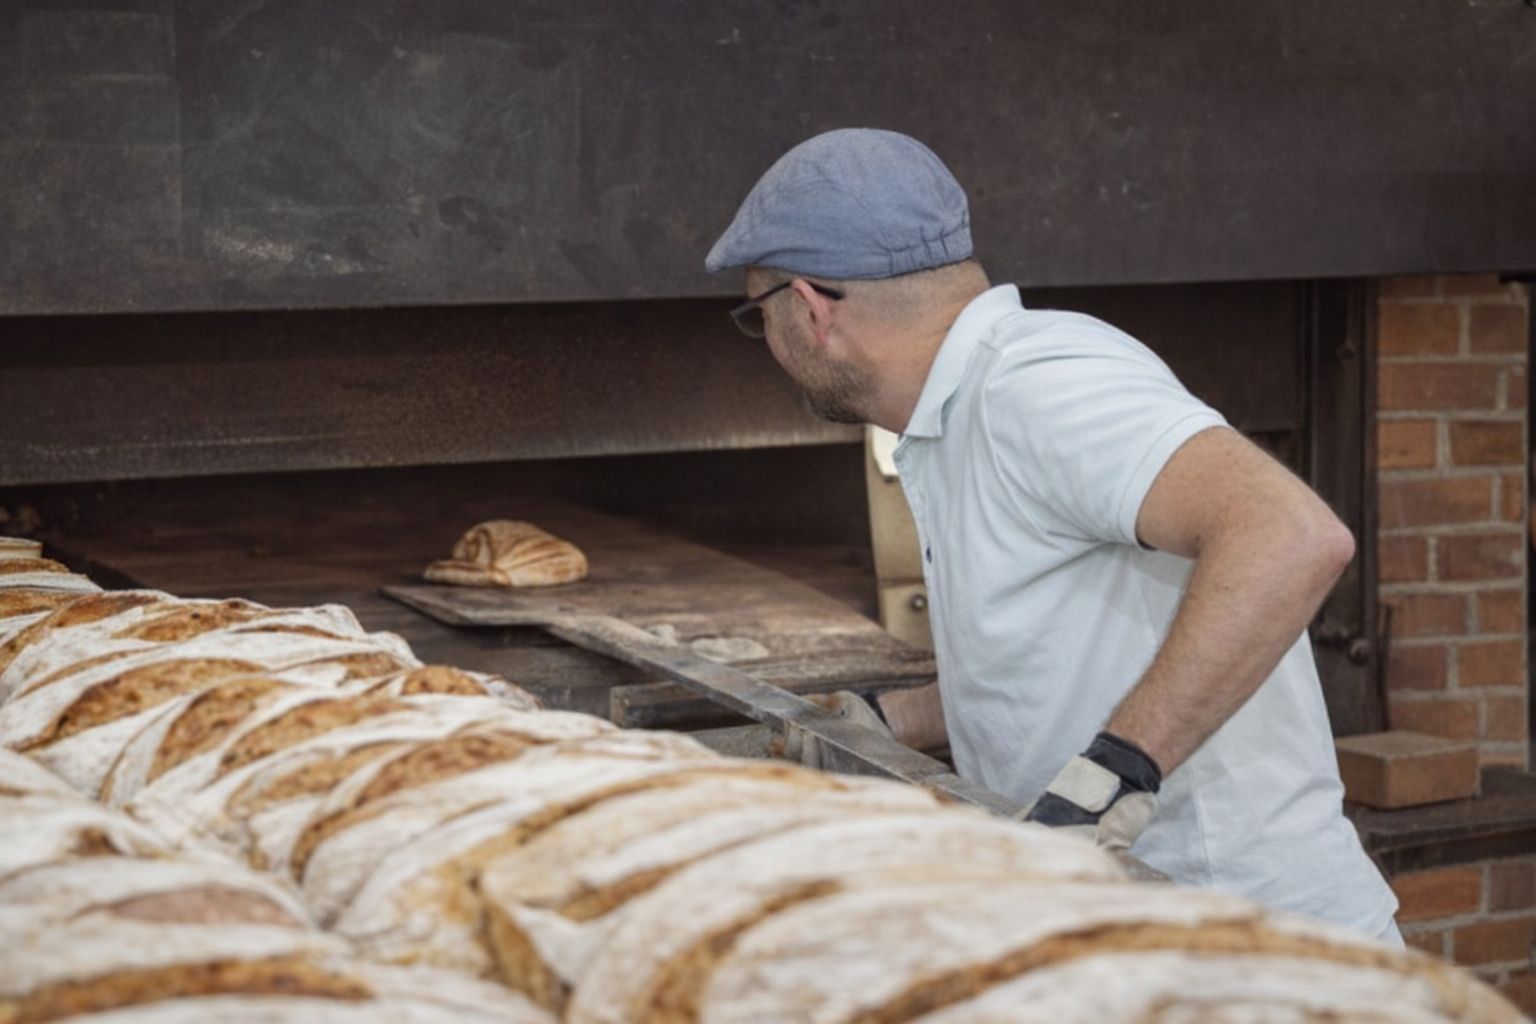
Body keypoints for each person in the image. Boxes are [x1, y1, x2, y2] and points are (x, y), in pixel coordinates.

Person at [705, 128, 1401, 944]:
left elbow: (1292, 533)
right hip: (1145, 941)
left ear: (813, 308)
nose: (769, 345)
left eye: (761, 317)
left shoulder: (1035, 384)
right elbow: (1061, 656)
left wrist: (1115, 775)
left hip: (1254, 951)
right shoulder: (957, 416)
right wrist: (891, 722)